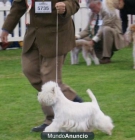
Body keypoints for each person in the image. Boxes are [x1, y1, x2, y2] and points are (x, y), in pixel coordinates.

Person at [0, 0, 83, 132]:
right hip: (34, 36)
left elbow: (74, 2)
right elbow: (18, 5)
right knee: (29, 70)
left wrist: (65, 7)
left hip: (56, 33)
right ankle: (77, 103)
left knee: (49, 79)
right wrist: (6, 29)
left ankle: (52, 119)